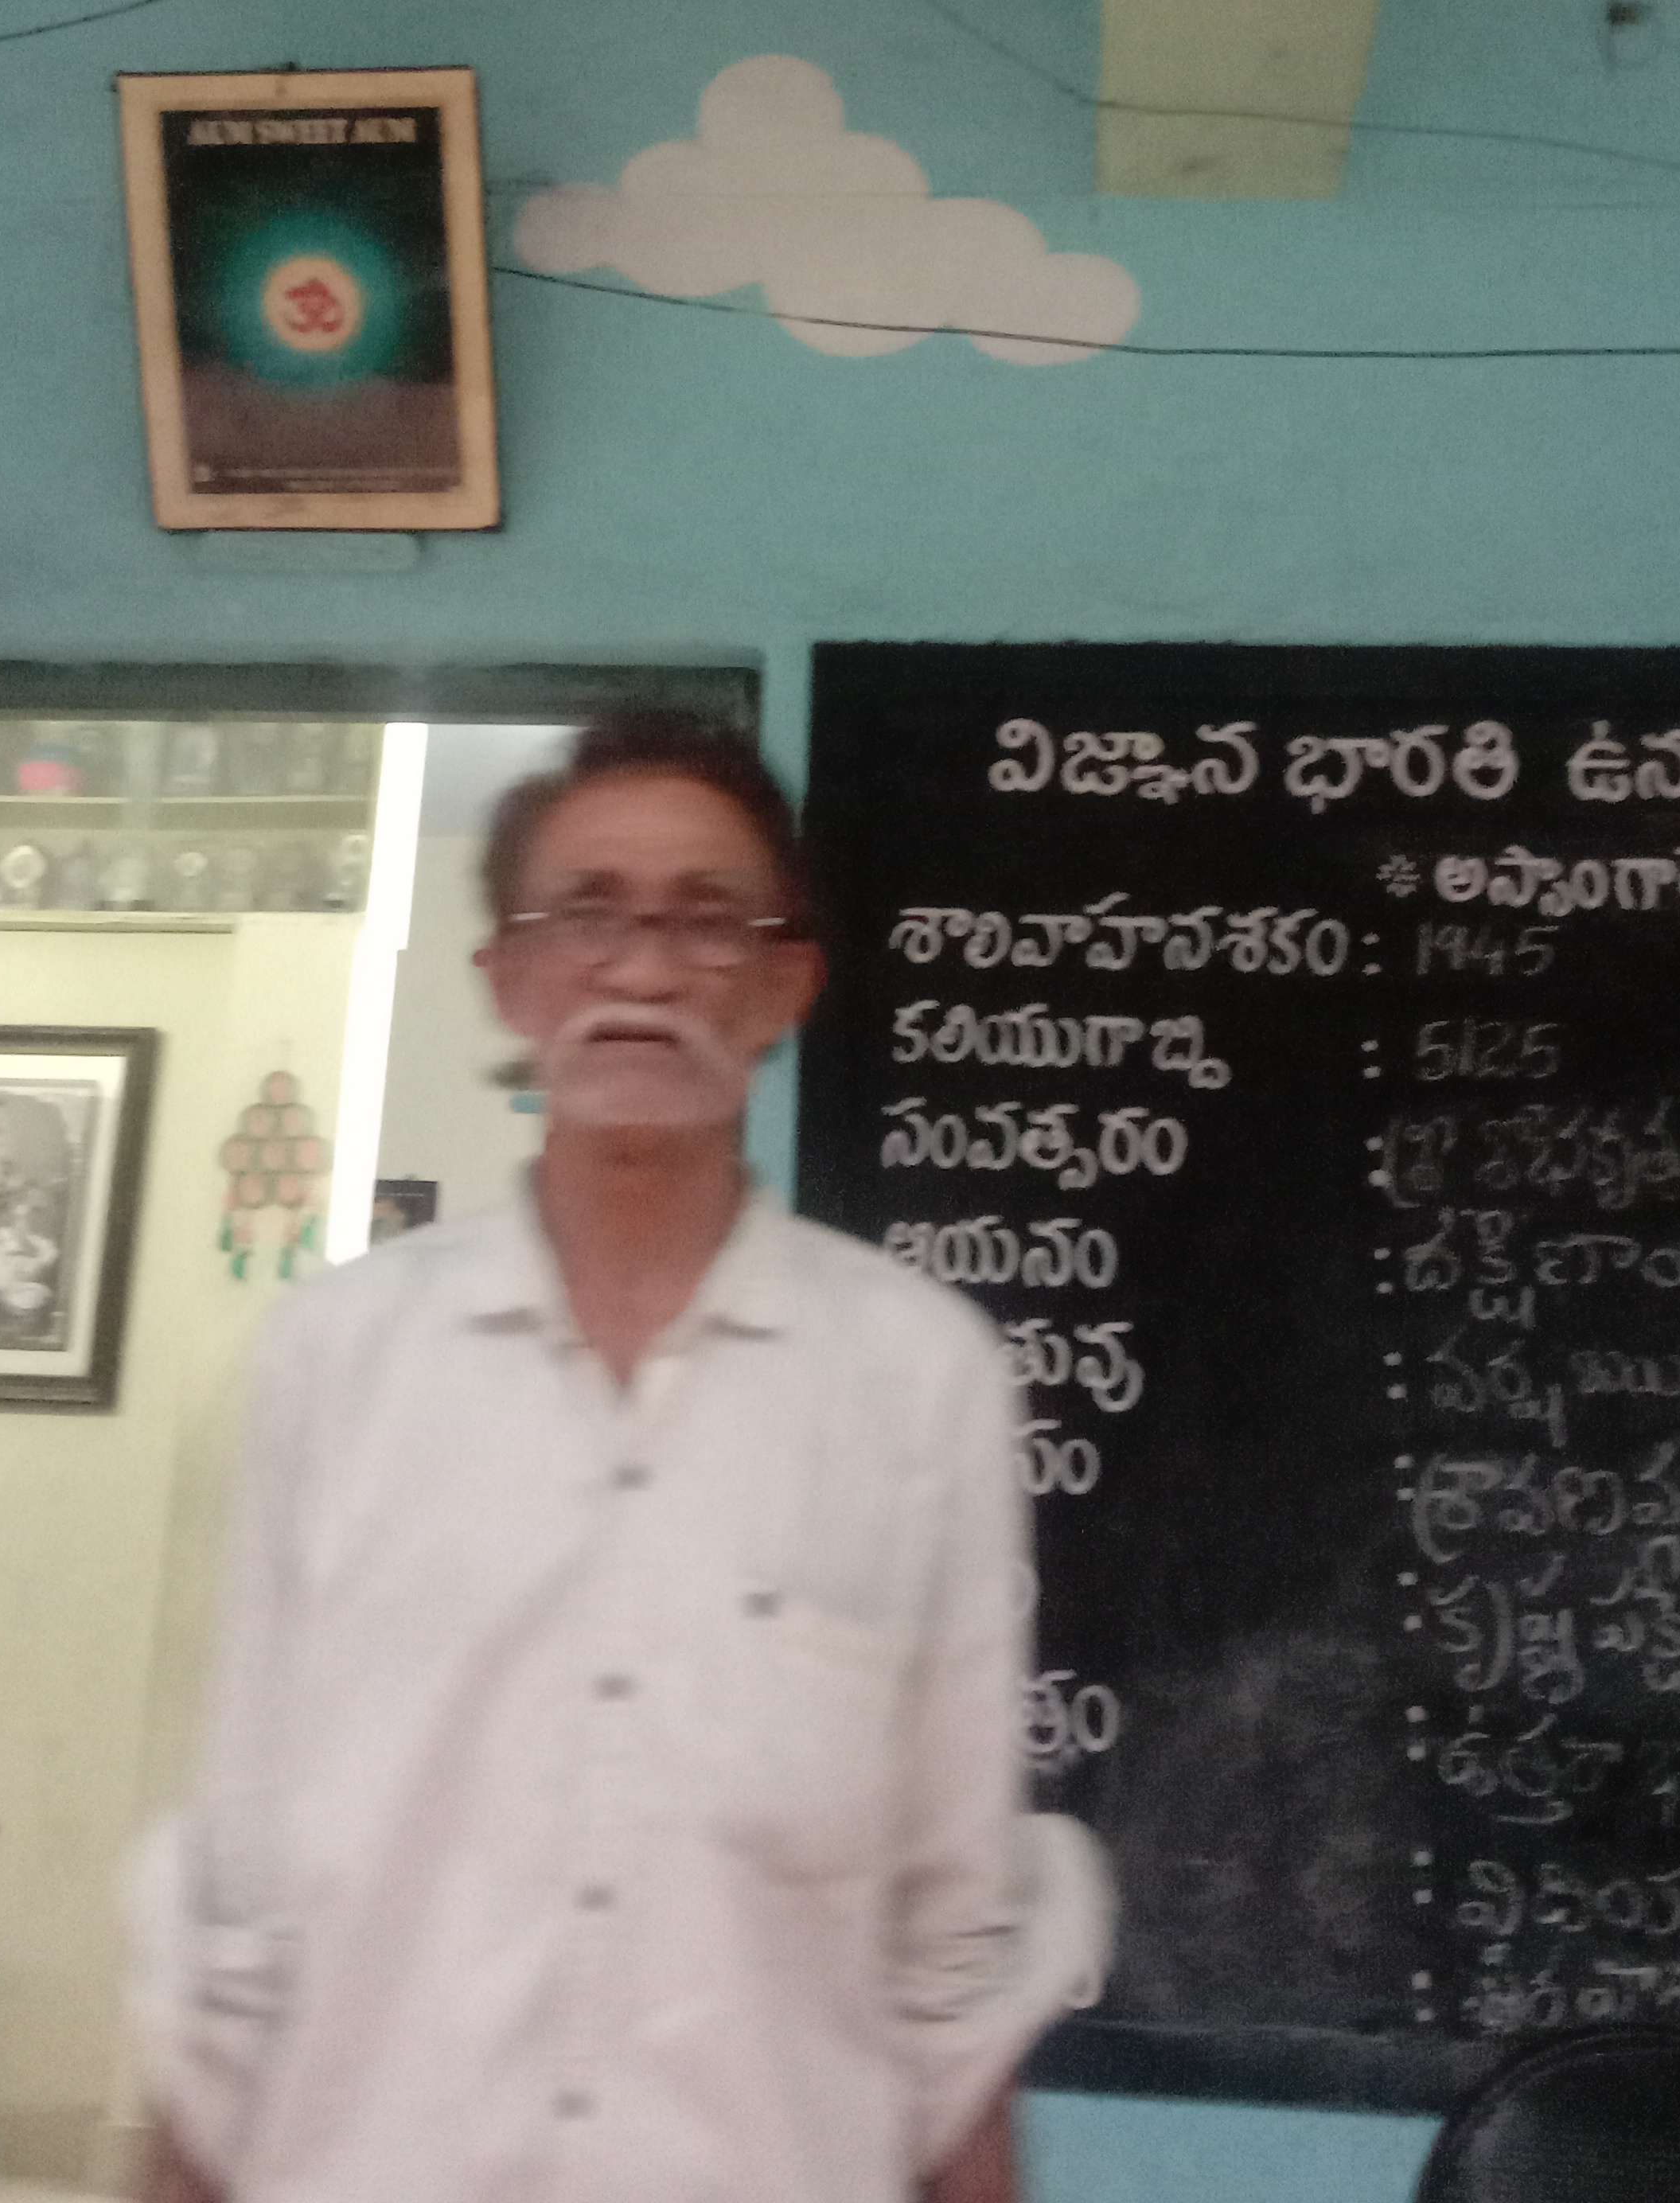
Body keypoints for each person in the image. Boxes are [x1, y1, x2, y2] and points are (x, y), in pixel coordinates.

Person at [128, 709, 1110, 2203]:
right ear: (509, 978)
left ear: (786, 987)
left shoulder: (920, 1377)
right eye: (587, 915)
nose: (643, 973)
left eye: (708, 922)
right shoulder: (339, 1359)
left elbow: (955, 1922)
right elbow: (240, 1889)